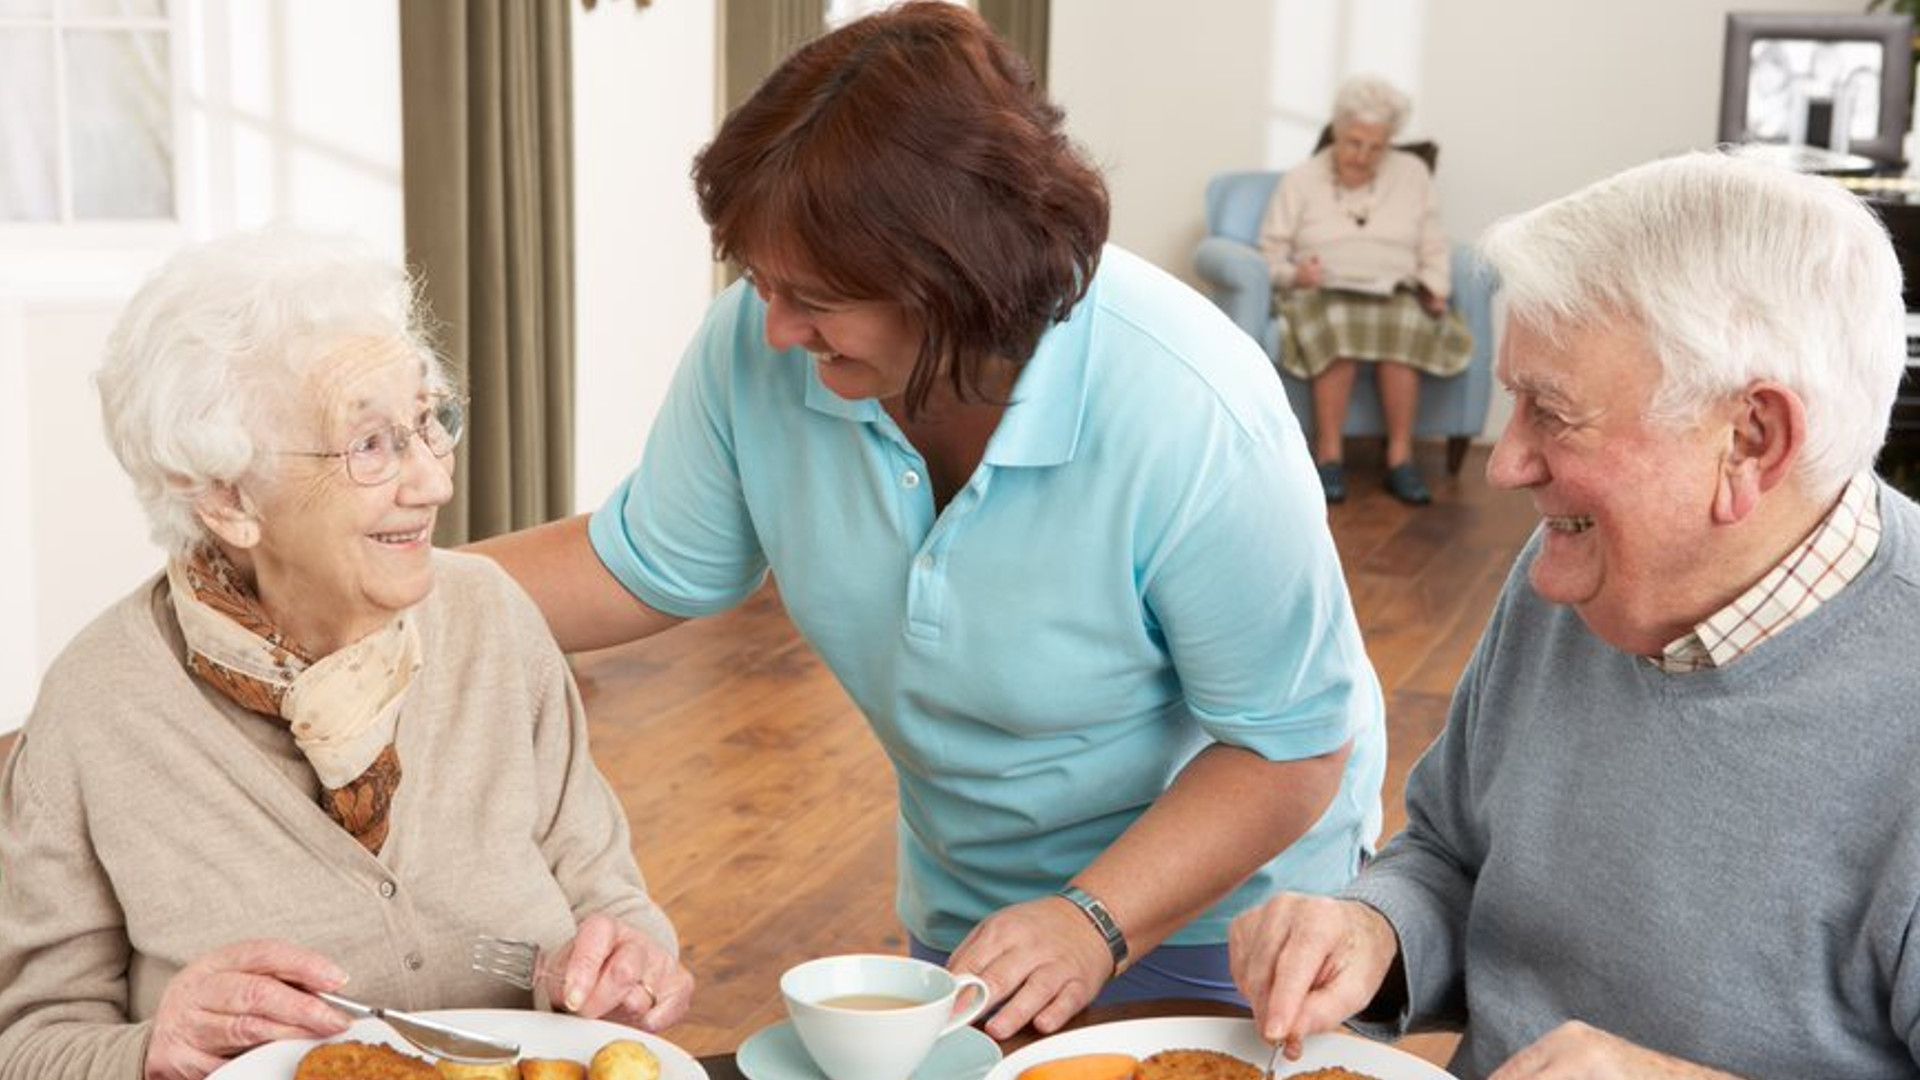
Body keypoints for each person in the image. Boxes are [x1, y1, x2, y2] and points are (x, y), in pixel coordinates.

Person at [474, 2, 1384, 1041]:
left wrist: (1095, 919)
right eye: (760, 282)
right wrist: (377, 591)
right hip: (977, 908)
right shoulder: (767, 348)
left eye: (814, 296)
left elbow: (1291, 748)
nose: (773, 327)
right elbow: (639, 563)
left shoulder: (1190, 407)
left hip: (1230, 919)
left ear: (957, 279)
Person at [1228, 152, 1920, 1079]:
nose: (1504, 465)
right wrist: (1372, 929)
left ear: (1750, 439)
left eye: (1550, 413)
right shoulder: (1580, 568)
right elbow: (1448, 852)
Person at [0, 230, 693, 1080]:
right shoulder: (97, 708)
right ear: (226, 495)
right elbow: (31, 1043)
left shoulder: (492, 621)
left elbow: (607, 896)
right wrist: (150, 1050)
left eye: (430, 422)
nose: (434, 481)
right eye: (370, 444)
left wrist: (630, 967)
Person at [1258, 75, 1473, 507]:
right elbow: (1269, 252)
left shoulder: (1411, 174)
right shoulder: (1301, 179)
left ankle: (1400, 459)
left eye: (1376, 146)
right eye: (1354, 142)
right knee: (1337, 326)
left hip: (1394, 289)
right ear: (1336, 131)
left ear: (1390, 141)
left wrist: (1435, 287)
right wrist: (1296, 275)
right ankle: (1329, 457)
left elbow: (1433, 240)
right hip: (1320, 292)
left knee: (1406, 327)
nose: (1363, 155)